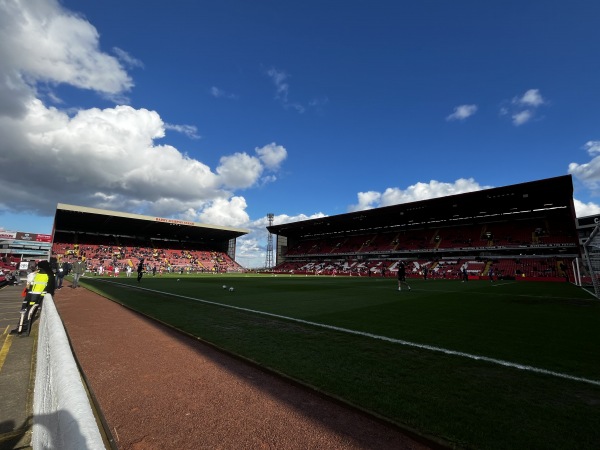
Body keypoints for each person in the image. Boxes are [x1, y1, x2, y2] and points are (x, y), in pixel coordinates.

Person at [11, 260, 55, 335]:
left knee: (30, 313)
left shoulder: (48, 275)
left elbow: (49, 288)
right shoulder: (39, 274)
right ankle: (20, 328)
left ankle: (25, 330)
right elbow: (32, 285)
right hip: (32, 295)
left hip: (38, 297)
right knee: (25, 312)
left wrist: (40, 297)